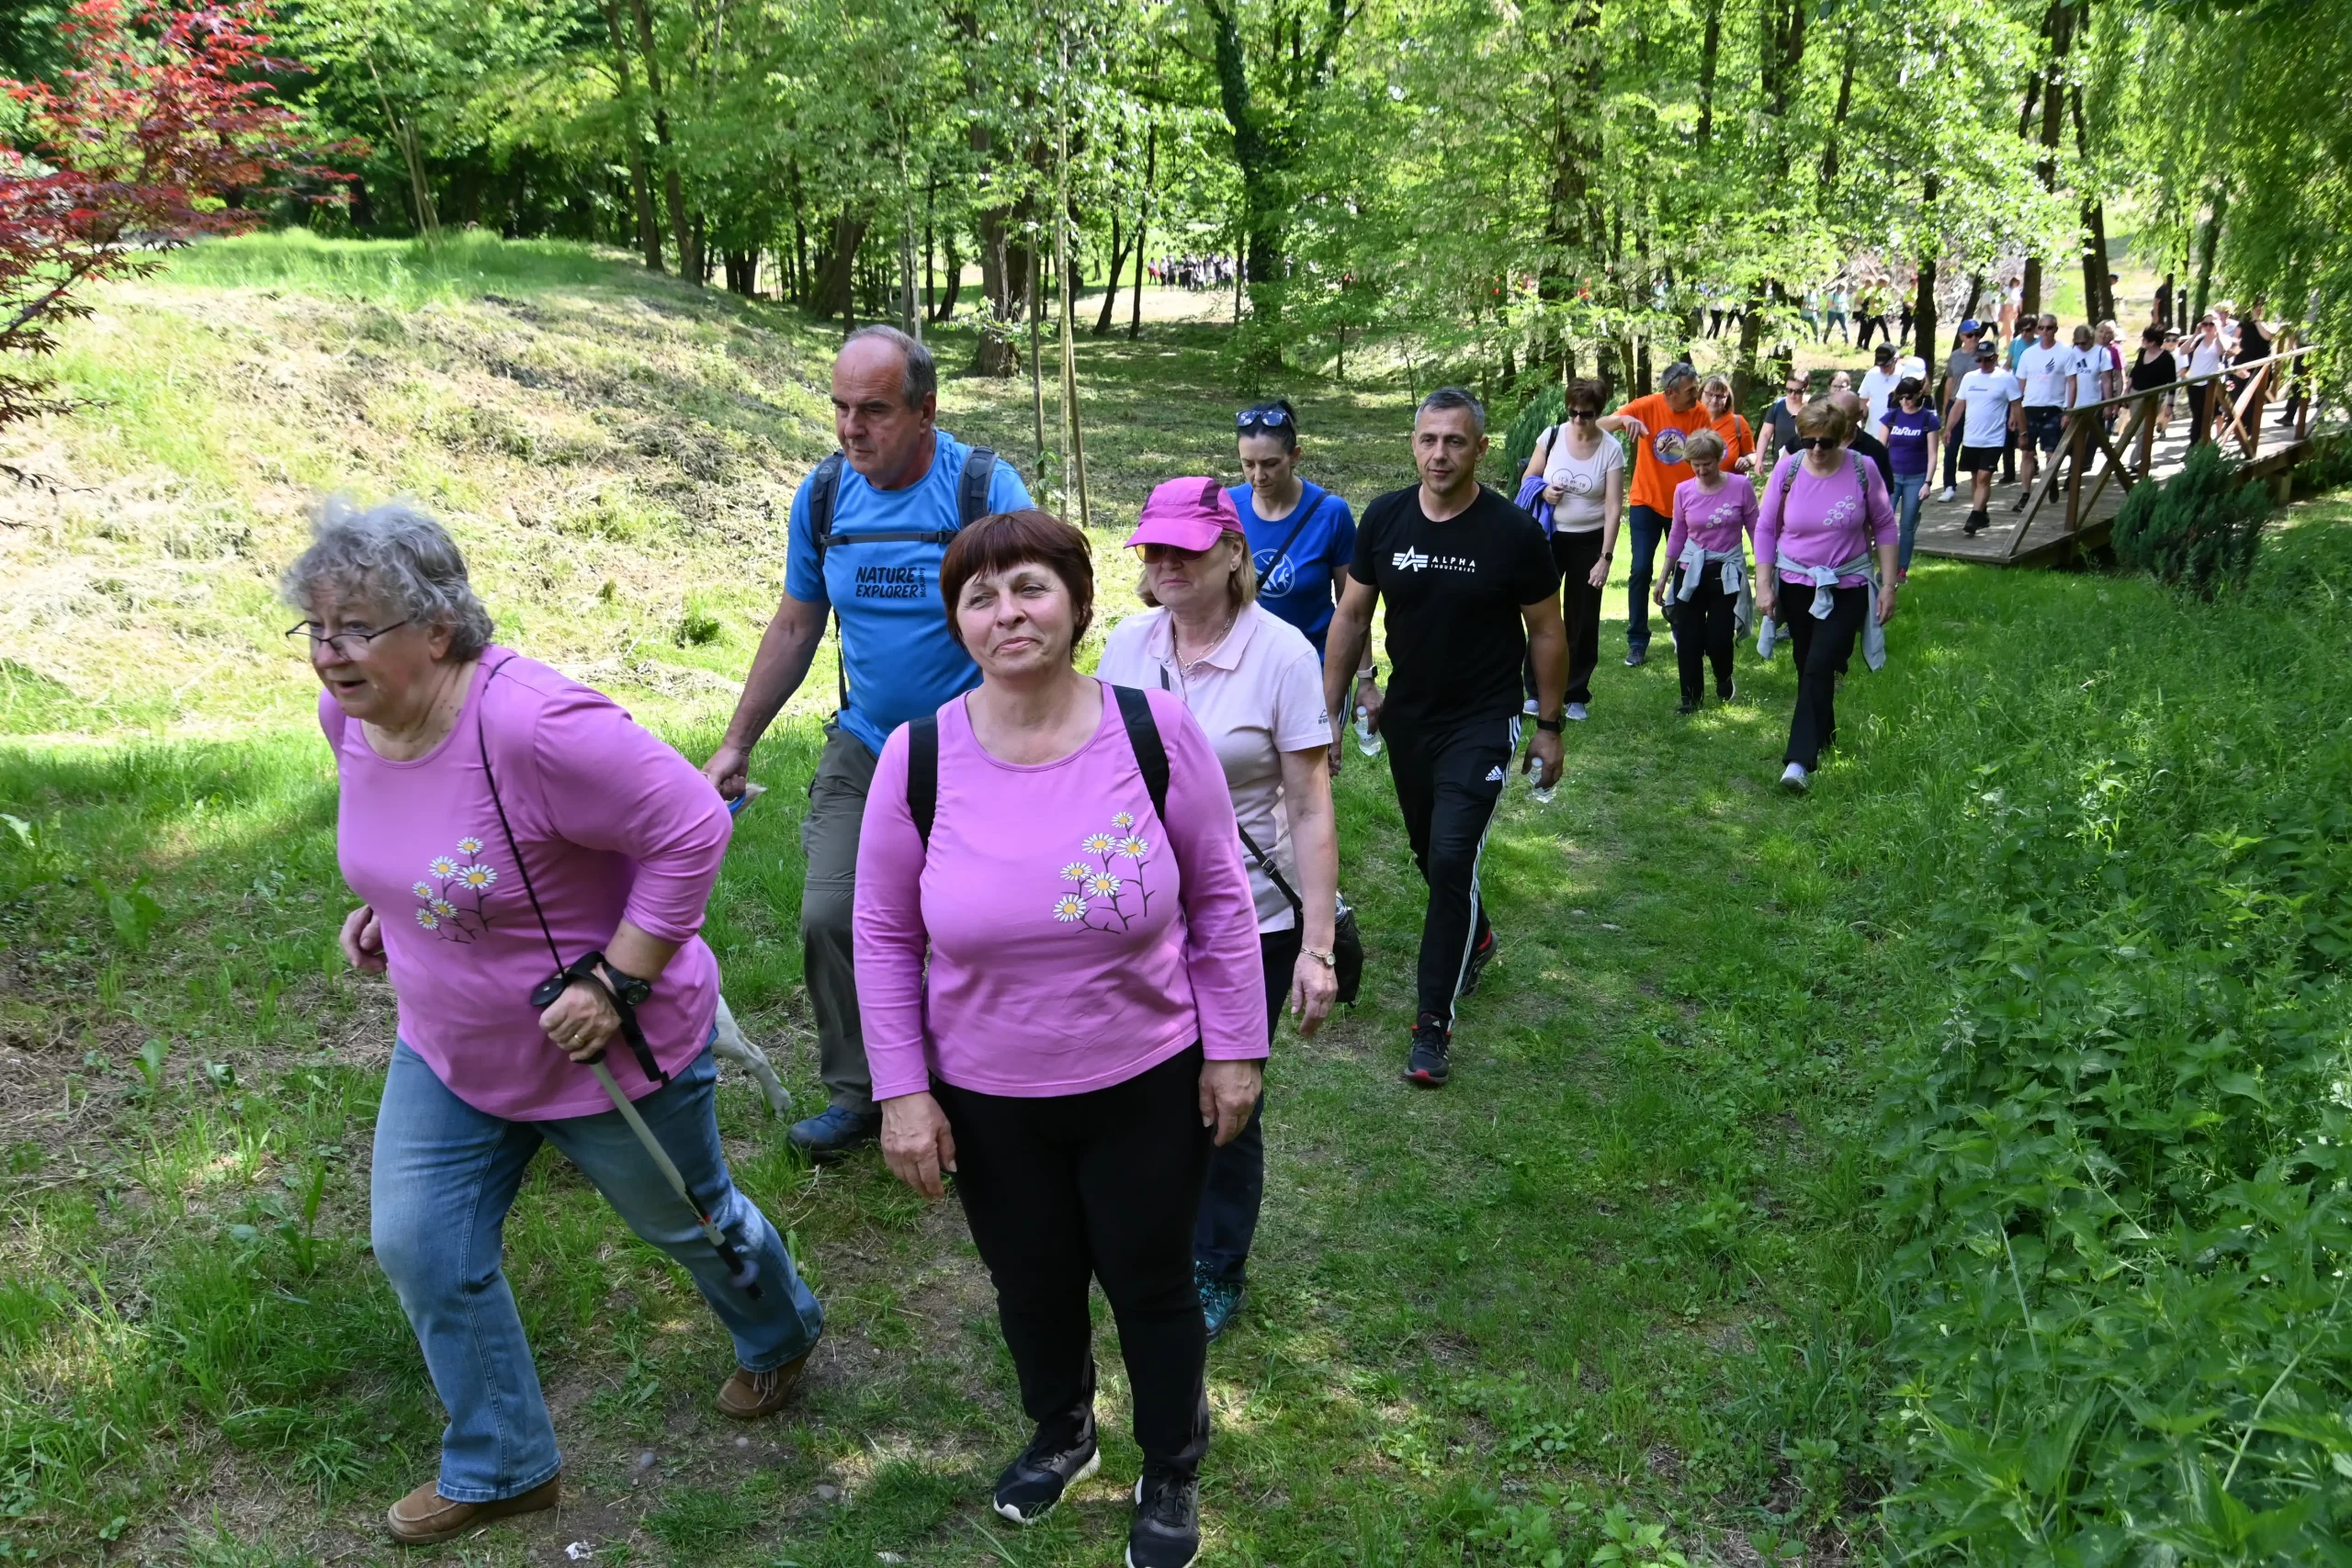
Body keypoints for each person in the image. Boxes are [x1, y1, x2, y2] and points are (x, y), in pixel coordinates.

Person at [288, 502, 825, 1546]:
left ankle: (782, 1329)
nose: (328, 653)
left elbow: (690, 826)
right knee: (421, 1248)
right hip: (449, 1045)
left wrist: (617, 981)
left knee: (693, 1222)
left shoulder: (535, 725)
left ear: (435, 630)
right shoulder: (349, 718)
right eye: (314, 628)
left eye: (353, 628)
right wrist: (390, 915)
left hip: (602, 1052)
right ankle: (503, 1464)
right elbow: (425, 848)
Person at [854, 509, 1264, 1567]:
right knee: (1029, 1284)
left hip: (1143, 1075)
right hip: (988, 1093)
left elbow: (1220, 901)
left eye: (1028, 586)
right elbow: (883, 937)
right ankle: (1063, 1431)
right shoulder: (919, 757)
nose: (1006, 613)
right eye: (979, 596)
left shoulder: (1154, 732)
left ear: (1079, 603)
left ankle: (1169, 1466)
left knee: (1152, 1281)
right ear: (958, 622)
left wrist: (1234, 1050)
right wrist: (903, 1095)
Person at [703, 326, 1031, 1161]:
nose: (852, 429)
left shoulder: (982, 489)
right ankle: (863, 1090)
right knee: (830, 915)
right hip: (866, 745)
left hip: (976, 743)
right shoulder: (823, 499)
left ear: (927, 410)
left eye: (874, 410)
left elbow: (1039, 615)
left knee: (979, 925)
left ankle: (983, 1089)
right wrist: (738, 741)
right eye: (841, 408)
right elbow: (796, 621)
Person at [1097, 481, 1339, 1342]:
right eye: (1152, 551)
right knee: (1148, 1088)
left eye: (1186, 550)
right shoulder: (1126, 648)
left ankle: (1217, 1261)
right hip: (1139, 914)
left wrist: (1317, 945)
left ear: (1234, 552)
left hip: (1251, 915)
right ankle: (1155, 1239)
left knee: (1227, 1094)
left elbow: (1309, 804)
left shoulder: (1281, 654)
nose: (1166, 565)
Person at [1323, 388, 1565, 1088]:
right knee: (1430, 850)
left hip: (1484, 718)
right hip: (1410, 716)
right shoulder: (1386, 518)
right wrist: (1328, 712)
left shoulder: (1512, 533)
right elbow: (1351, 616)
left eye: (1455, 441)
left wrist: (1548, 725)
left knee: (1453, 856)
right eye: (1429, 439)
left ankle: (1433, 1023)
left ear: (1481, 449)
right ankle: (1478, 934)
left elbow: (1547, 630)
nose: (1439, 453)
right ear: (1413, 442)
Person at [1755, 401, 1900, 795]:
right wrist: (1763, 583)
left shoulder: (1861, 468)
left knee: (1820, 663)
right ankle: (1827, 732)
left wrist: (1888, 585)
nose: (1817, 449)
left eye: (1826, 441)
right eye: (1809, 440)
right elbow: (1766, 528)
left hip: (1847, 584)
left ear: (1842, 438)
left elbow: (1885, 526)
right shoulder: (1789, 469)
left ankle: (1799, 761)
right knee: (1807, 664)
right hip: (1797, 583)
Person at [1229, 401, 1381, 728]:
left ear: (1295, 456)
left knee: (1313, 776)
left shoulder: (1330, 513)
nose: (1259, 475)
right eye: (1248, 464)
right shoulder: (1227, 507)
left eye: (1270, 463)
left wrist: (1365, 678)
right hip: (1243, 669)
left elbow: (1353, 605)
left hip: (1315, 670)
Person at [1519, 378, 1625, 722]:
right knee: (1541, 617)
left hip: (1589, 541)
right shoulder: (1551, 437)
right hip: (1549, 538)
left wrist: (1605, 558)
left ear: (1599, 412)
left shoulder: (1611, 449)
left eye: (1587, 414)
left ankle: (1575, 692)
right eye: (1573, 412)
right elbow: (1528, 479)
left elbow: (1613, 508)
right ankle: (1535, 692)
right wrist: (1545, 491)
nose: (1579, 419)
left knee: (1582, 620)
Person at [1596, 361, 1711, 667]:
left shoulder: (1699, 413)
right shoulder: (1647, 405)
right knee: (1641, 569)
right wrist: (1624, 421)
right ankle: (1637, 640)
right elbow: (1597, 425)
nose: (1695, 394)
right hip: (1645, 501)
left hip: (1684, 505)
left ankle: (1680, 624)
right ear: (1670, 392)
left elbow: (1708, 451)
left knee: (1685, 569)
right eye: (1690, 389)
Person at [1656, 429, 1756, 714]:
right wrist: (1663, 577)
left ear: (1719, 457)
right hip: (1690, 569)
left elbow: (1755, 529)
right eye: (1695, 465)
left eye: (1707, 464)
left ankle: (1724, 677)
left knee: (1718, 637)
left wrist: (1764, 571)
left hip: (1727, 571)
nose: (1701, 470)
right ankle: (1690, 698)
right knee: (1687, 637)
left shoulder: (1740, 486)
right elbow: (1677, 534)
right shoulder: (1684, 491)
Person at [1951, 342, 2021, 536]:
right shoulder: (1969, 378)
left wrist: (2022, 432)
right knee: (1975, 478)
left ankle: (1974, 517)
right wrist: (1948, 428)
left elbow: (2017, 405)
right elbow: (1959, 405)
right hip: (1971, 437)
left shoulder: (2006, 379)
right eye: (1980, 359)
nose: (1984, 363)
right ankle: (1982, 513)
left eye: (1988, 358)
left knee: (1984, 477)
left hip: (1994, 438)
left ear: (1996, 357)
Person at [1882, 377, 1941, 579]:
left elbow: (1933, 454)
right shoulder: (1891, 417)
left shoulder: (1928, 419)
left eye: (1909, 396)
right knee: (1885, 521)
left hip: (1916, 478)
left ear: (1918, 395)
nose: (1905, 401)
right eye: (1901, 397)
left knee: (1907, 524)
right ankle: (1885, 566)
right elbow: (1881, 449)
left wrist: (1928, 482)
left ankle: (1901, 568)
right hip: (1891, 477)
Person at [2013, 314, 2070, 507]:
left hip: (2054, 407)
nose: (2045, 331)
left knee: (2051, 453)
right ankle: (2026, 494)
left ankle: (2051, 480)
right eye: (2042, 328)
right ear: (2037, 330)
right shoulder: (2028, 354)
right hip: (2030, 407)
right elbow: (2020, 384)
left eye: (2050, 327)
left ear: (2055, 329)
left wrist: (2068, 411)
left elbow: (2072, 381)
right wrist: (2015, 412)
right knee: (2027, 453)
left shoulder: (2065, 352)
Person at [1936, 320, 1991, 502]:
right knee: (1951, 445)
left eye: (1977, 334)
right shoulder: (1955, 356)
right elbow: (1949, 382)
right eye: (1969, 335)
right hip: (1955, 403)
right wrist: (1945, 407)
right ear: (1961, 337)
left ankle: (1977, 483)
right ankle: (1949, 486)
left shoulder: (1984, 354)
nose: (1974, 338)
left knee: (1974, 446)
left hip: (1976, 406)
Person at [2128, 324, 2179, 448]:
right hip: (2135, 394)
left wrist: (2170, 405)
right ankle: (2141, 460)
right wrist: (2126, 391)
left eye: (2145, 340)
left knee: (2144, 430)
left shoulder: (2167, 359)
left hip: (2153, 397)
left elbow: (2172, 383)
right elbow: (2134, 372)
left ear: (2153, 342)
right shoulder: (2142, 353)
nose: (2143, 342)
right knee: (2135, 429)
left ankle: (2137, 464)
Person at [1701, 374, 1758, 473]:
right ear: (1700, 394)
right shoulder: (1690, 420)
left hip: (1729, 486)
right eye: (1710, 394)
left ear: (1727, 398)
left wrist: (1747, 461)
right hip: (1694, 486)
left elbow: (1753, 454)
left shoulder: (1738, 422)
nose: (1714, 400)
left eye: (1720, 396)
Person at [2186, 314, 2228, 444]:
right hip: (2193, 383)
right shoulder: (2199, 339)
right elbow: (2183, 351)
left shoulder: (2223, 339)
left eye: (2211, 324)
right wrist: (2195, 334)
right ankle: (2200, 445)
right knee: (2197, 416)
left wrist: (2219, 331)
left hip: (2209, 385)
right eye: (2205, 324)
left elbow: (2223, 351)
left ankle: (2195, 445)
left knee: (2203, 416)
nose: (2208, 327)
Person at [1759, 368, 1809, 470]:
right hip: (1781, 466)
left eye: (1798, 391)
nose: (1792, 395)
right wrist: (1759, 460)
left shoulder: (1813, 407)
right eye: (1789, 390)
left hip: (1807, 466)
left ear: (1806, 388)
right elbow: (1765, 435)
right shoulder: (1777, 406)